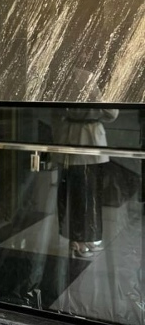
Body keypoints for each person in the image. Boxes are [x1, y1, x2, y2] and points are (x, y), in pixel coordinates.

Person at [52, 68, 119, 259]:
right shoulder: (84, 75)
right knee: (83, 196)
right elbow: (111, 112)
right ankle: (79, 240)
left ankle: (83, 238)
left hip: (75, 141)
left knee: (80, 195)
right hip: (86, 143)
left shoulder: (68, 72)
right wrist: (93, 112)